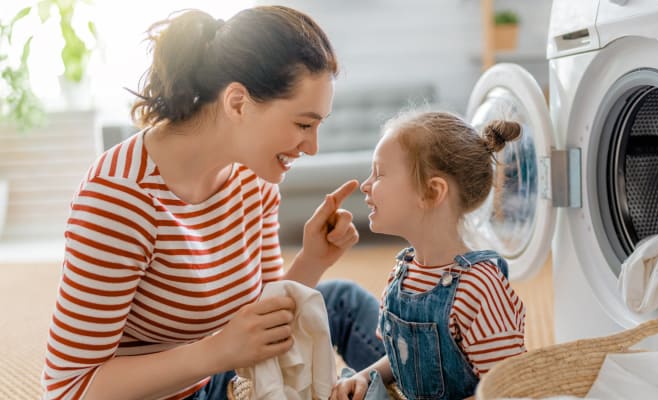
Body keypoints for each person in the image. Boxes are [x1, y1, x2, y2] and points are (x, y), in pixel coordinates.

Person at [41, 6, 367, 400]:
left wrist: (314, 259)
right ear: (236, 103)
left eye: (318, 126)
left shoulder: (254, 178)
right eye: (303, 125)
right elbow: (68, 389)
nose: (312, 148)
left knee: (345, 303)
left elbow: (259, 321)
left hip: (221, 381)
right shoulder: (120, 198)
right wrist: (216, 352)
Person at [329, 111, 528, 400]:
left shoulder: (480, 287)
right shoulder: (403, 272)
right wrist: (366, 375)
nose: (366, 184)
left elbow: (508, 389)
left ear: (432, 192)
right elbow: (404, 359)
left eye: (380, 173)